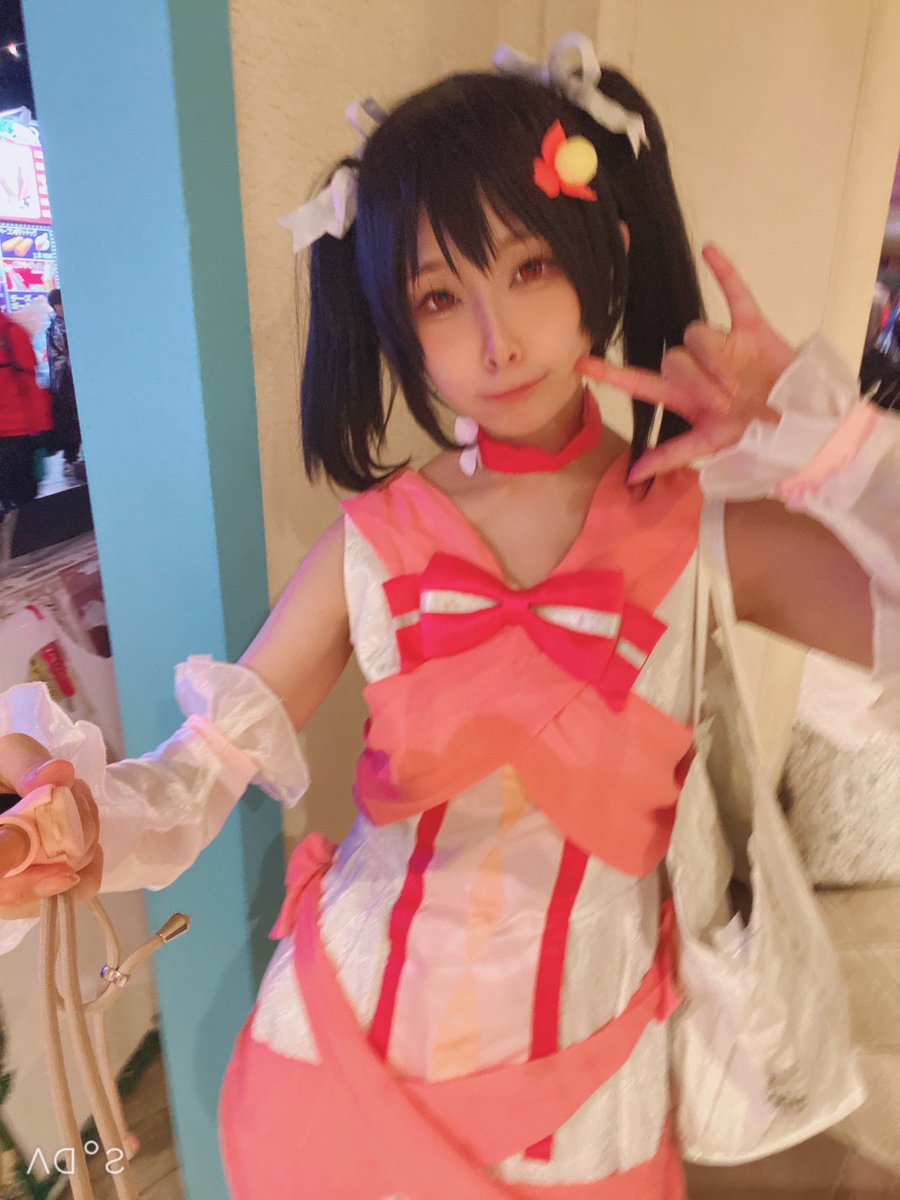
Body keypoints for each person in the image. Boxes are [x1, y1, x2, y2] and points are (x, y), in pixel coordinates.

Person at [0, 35, 897, 1198]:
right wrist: (74, 821)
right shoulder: (373, 542)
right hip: (330, 1071)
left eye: (531, 267)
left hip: (584, 1108)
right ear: (394, 320)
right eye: (439, 296)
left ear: (605, 257)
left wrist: (836, 442)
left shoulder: (708, 532)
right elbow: (201, 770)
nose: (495, 336)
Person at [0, 307, 51, 567]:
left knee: (20, 491)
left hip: (15, 429)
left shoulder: (11, 334)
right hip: (11, 429)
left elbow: (30, 384)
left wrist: (39, 427)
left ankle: (18, 550)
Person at [45, 287, 82, 474]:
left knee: (73, 423)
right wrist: (59, 386)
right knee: (71, 424)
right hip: (67, 384)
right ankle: (71, 460)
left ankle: (72, 459)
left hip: (69, 383)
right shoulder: (57, 329)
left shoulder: (61, 326)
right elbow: (59, 360)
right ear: (56, 306)